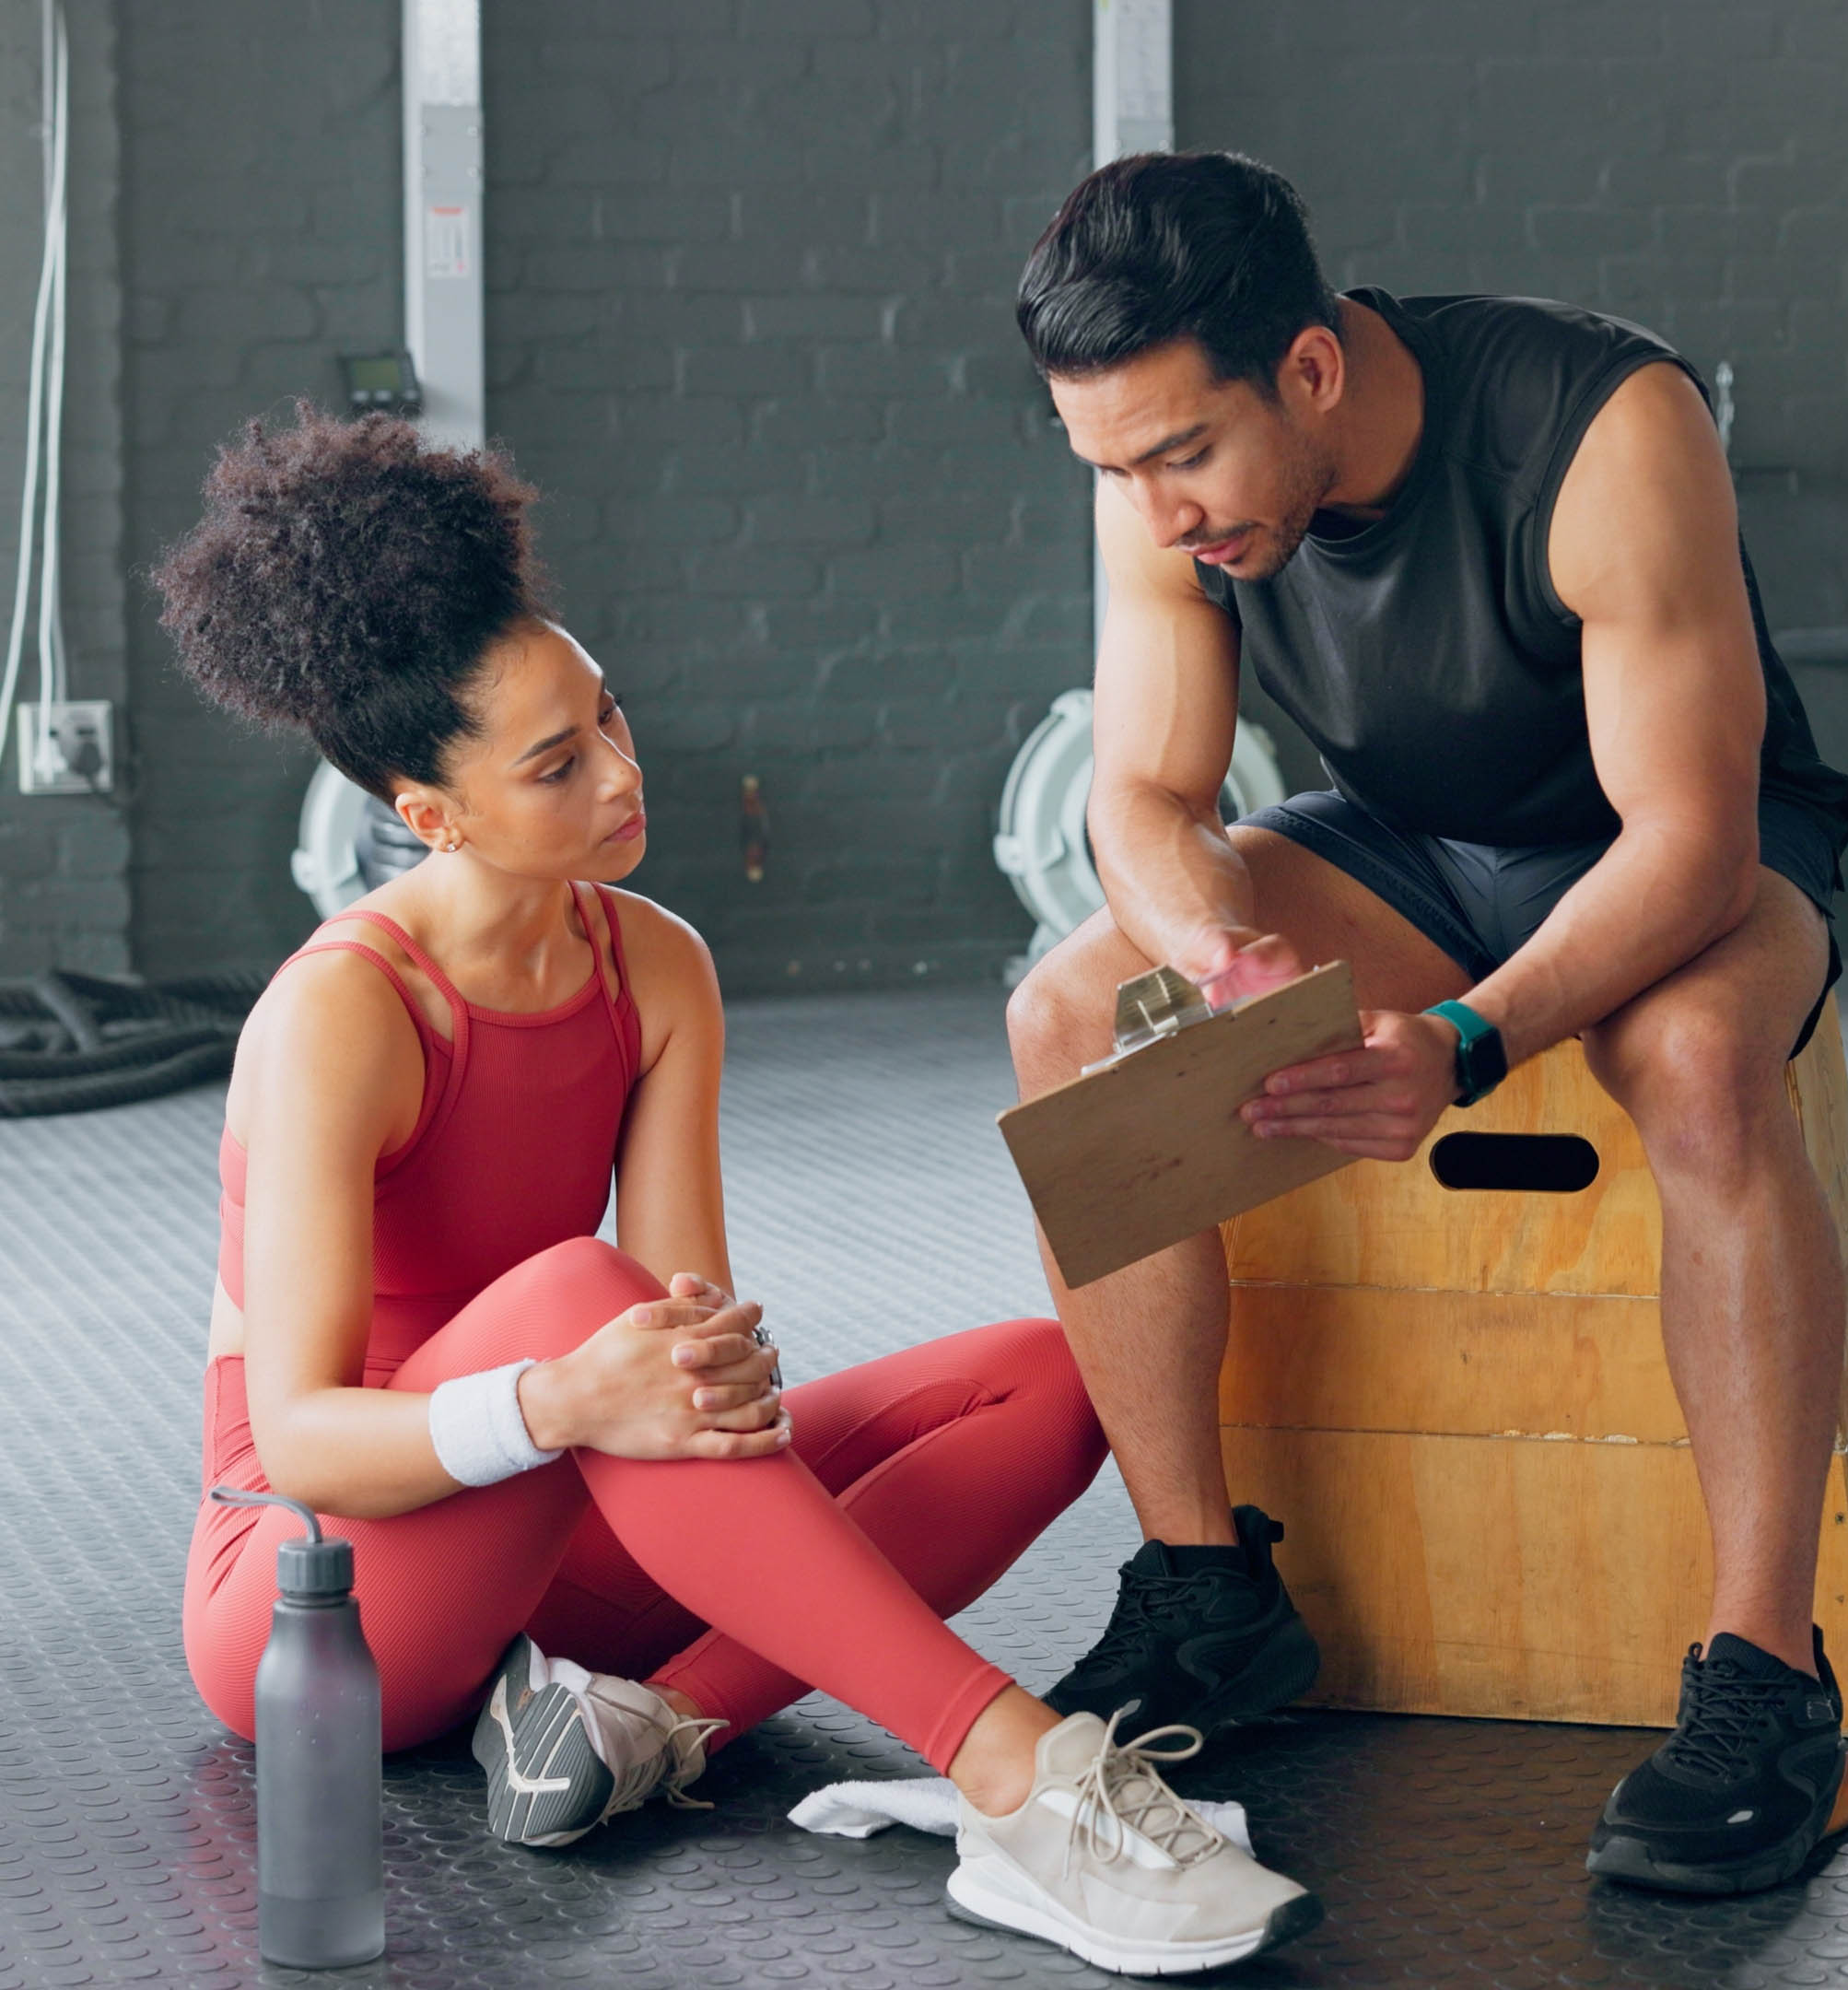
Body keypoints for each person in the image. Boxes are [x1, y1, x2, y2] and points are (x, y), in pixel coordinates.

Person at [160, 407, 1320, 1976]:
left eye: (613, 720)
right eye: (561, 764)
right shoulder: (343, 1013)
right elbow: (301, 1436)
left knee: (1050, 1381)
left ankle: (647, 1732)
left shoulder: (655, 967)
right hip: (322, 1598)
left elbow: (684, 1320)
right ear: (431, 817)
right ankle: (1019, 1780)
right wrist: (570, 1395)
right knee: (585, 1300)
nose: (626, 777)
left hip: (562, 1537)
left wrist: (681, 1373)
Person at [1000, 153, 1848, 1897]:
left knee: (1693, 1063)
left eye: (1182, 455)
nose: (1160, 509)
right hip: (1410, 847)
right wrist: (1218, 955)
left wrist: (1472, 1041)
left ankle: (1768, 1671)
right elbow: (1149, 794)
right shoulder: (1153, 473)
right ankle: (1205, 1593)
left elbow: (1689, 840)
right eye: (1113, 465)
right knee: (1078, 1006)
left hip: (1676, 842)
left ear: (1311, 371)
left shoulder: (1606, 423)